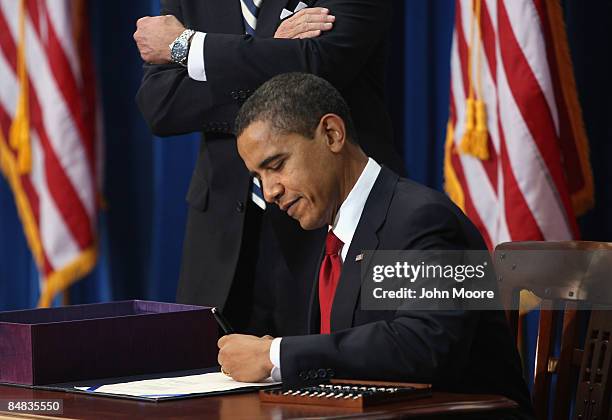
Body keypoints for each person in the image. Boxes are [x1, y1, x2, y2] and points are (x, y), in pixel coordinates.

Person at [217, 73, 532, 413]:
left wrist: (276, 355)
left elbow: (424, 344)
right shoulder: (333, 233)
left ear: (331, 134)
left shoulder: (421, 218)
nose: (270, 192)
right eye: (258, 178)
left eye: (276, 165)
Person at [133, 0, 404, 337]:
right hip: (222, 237)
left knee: (346, 368)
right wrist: (271, 55)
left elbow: (320, 64)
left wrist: (188, 47)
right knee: (211, 379)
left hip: (335, 224)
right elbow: (160, 104)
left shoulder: (424, 223)